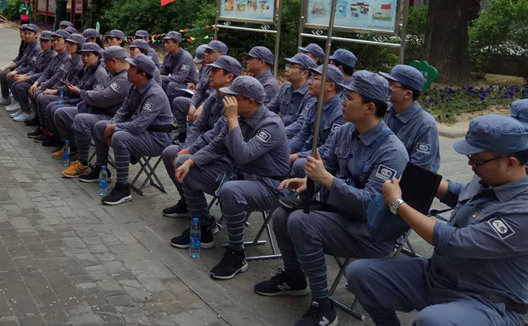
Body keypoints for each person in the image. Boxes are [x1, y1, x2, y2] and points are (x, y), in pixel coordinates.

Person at [253, 71, 409, 326]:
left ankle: (323, 306)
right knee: (282, 214)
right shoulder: (347, 131)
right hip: (340, 210)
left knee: (302, 223)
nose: (343, 102)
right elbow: (329, 163)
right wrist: (309, 181)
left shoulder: (391, 152)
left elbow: (369, 206)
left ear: (370, 107)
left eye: (349, 97)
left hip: (370, 230)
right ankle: (294, 278)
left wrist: (326, 180)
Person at [347, 114, 528, 326]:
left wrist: (398, 204)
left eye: (477, 160)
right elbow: (461, 193)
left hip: (488, 300)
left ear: (510, 162)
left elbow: (455, 241)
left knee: (432, 321)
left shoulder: (522, 211)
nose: (471, 164)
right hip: (439, 277)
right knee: (361, 274)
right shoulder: (489, 176)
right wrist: (420, 182)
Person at [171, 76, 290, 281]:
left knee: (231, 190)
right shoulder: (237, 117)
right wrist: (190, 162)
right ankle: (204, 227)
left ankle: (237, 253)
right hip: (238, 176)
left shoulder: (270, 124)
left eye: (233, 97)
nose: (227, 99)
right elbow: (216, 145)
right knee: (187, 166)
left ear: (249, 102)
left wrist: (233, 119)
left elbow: (243, 155)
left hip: (269, 185)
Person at [161, 55, 243, 218]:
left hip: (223, 159)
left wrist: (191, 152)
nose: (210, 74)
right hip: (205, 148)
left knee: (182, 161)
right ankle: (187, 202)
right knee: (170, 152)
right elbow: (197, 127)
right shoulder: (214, 96)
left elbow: (218, 139)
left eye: (215, 71)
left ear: (229, 77)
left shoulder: (234, 103)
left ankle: (203, 221)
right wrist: (186, 148)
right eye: (210, 70)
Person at [90, 54, 175, 206]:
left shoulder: (155, 94)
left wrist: (114, 128)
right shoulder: (135, 87)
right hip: (142, 132)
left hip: (158, 138)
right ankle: (101, 169)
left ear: (142, 74)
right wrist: (111, 124)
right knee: (100, 126)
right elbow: (123, 111)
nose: (128, 71)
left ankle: (123, 188)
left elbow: (138, 126)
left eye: (132, 69)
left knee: (120, 137)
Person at [62, 45, 131, 175]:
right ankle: (74, 150)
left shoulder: (122, 79)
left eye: (105, 62)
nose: (104, 65)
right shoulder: (115, 75)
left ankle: (83, 162)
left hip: (111, 116)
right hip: (104, 112)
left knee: (81, 120)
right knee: (65, 112)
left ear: (114, 61)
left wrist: (81, 92)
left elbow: (103, 97)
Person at [43, 42, 109, 150]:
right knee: (52, 107)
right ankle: (65, 142)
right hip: (77, 100)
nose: (85, 58)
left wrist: (78, 92)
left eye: (88, 55)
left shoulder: (99, 73)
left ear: (97, 56)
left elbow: (97, 98)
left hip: (90, 108)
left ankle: (72, 147)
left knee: (59, 111)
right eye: (83, 56)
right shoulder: (87, 69)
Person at [379, 64, 440, 171]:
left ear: (407, 94)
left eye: (392, 84)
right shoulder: (384, 110)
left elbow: (419, 170)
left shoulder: (426, 125)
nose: (386, 87)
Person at [172, 40, 227, 143]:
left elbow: (217, 94)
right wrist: (193, 105)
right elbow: (200, 89)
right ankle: (182, 135)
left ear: (221, 54)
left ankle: (199, 140)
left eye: (210, 51)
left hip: (213, 106)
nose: (206, 54)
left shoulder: (226, 71)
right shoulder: (206, 68)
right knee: (178, 101)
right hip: (201, 103)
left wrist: (202, 107)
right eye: (206, 51)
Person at [287, 64, 346, 157]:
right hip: (308, 151)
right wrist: (285, 152)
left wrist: (297, 156)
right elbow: (302, 136)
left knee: (298, 165)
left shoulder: (340, 113)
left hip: (323, 160)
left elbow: (328, 148)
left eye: (316, 79)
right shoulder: (314, 105)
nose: (310, 82)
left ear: (330, 86)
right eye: (311, 78)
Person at [25, 29, 72, 133]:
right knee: (33, 90)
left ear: (65, 42)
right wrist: (37, 83)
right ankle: (41, 123)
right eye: (54, 40)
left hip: (61, 90)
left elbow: (57, 77)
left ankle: (49, 130)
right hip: (54, 86)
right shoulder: (57, 56)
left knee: (41, 96)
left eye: (58, 40)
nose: (55, 42)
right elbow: (46, 73)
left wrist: (43, 86)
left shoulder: (67, 58)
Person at [9, 30, 58, 122]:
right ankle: (23, 108)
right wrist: (25, 75)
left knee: (20, 86)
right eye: (42, 41)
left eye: (46, 41)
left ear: (51, 43)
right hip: (36, 79)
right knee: (15, 83)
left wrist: (28, 78)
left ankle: (28, 111)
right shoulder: (40, 54)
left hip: (43, 82)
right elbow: (34, 69)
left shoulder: (53, 56)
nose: (43, 44)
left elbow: (45, 74)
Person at [267, 53, 316, 126]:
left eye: (292, 67)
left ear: (304, 73)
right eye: (287, 65)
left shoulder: (311, 94)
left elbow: (301, 124)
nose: (286, 69)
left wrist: (278, 133)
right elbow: (269, 110)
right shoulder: (284, 88)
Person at [159, 31, 197, 104]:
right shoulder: (167, 56)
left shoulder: (186, 57)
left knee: (172, 85)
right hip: (177, 83)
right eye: (165, 42)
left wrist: (161, 77)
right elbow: (162, 72)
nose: (165, 45)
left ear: (176, 44)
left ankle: (170, 110)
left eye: (168, 43)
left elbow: (180, 78)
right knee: (159, 82)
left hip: (189, 85)